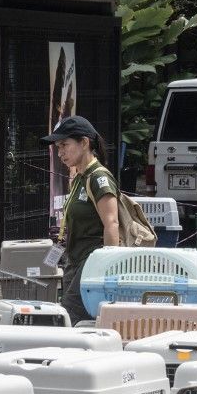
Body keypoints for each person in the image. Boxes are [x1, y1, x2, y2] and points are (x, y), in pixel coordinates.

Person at [42, 116, 119, 325]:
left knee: (68, 317)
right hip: (73, 262)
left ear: (84, 143)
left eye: (65, 145)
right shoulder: (78, 178)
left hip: (92, 263)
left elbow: (112, 223)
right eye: (58, 147)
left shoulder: (99, 177)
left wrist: (108, 269)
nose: (60, 153)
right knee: (75, 322)